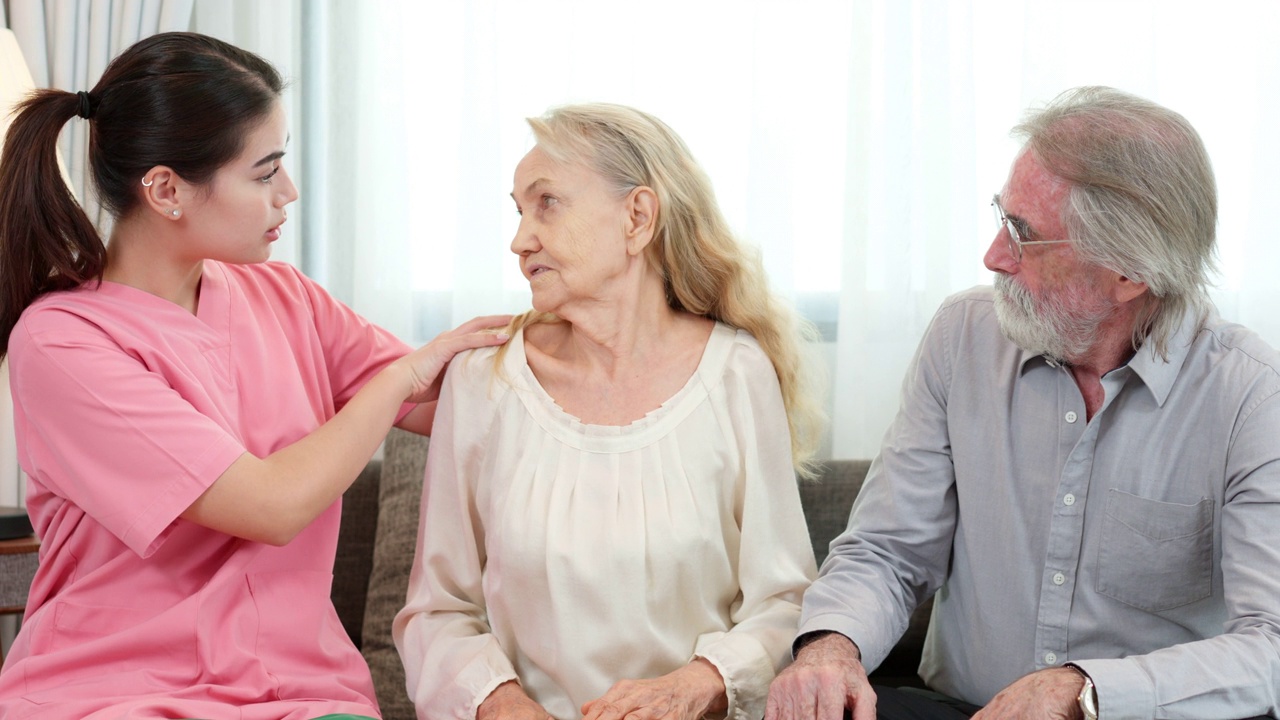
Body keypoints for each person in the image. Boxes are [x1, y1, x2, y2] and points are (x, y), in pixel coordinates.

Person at [0, 32, 508, 719]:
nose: (288, 193)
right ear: (166, 189)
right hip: (117, 691)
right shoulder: (63, 342)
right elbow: (270, 506)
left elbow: (459, 401)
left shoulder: (287, 298)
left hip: (303, 691)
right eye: (265, 172)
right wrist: (399, 378)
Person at [765, 86, 1280, 720]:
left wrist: (1083, 689)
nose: (993, 256)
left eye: (1022, 234)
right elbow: (888, 551)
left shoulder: (1253, 397)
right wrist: (830, 648)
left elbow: (1270, 648)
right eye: (1000, 215)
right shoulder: (963, 336)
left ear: (1128, 272)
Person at [393, 103, 823, 720]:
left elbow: (784, 603)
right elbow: (437, 609)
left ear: (637, 217)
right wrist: (503, 705)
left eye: (548, 203)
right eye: (518, 211)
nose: (519, 241)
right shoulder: (483, 377)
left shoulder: (736, 372)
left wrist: (696, 687)